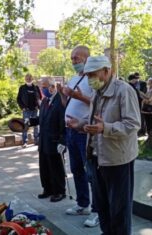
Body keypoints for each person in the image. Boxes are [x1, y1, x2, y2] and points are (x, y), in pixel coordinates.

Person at [67, 56, 140, 235]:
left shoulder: (124, 90)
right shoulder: (97, 92)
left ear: (107, 71)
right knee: (103, 207)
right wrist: (81, 124)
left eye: (93, 74)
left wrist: (105, 128)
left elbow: (132, 124)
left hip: (117, 160)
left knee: (119, 209)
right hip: (96, 158)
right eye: (88, 74)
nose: (90, 78)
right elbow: (95, 120)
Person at [57, 46, 99, 227]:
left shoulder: (94, 79)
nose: (73, 61)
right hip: (70, 132)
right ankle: (83, 204)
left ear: (87, 58)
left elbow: (98, 103)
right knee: (76, 169)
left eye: (76, 58)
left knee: (92, 172)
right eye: (72, 58)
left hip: (84, 132)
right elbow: (68, 103)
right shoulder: (75, 78)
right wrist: (63, 96)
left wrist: (78, 96)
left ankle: (98, 211)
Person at [36, 77, 66, 202]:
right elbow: (41, 119)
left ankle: (59, 191)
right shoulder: (44, 101)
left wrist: (62, 141)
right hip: (43, 141)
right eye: (41, 87)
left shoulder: (60, 101)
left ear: (52, 87)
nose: (42, 89)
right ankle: (47, 189)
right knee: (44, 166)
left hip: (54, 141)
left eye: (44, 86)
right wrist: (29, 121)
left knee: (56, 167)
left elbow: (63, 123)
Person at [17, 74, 42, 147]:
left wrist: (38, 106)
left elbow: (40, 97)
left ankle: (36, 141)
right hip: (26, 110)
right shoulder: (22, 88)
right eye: (27, 78)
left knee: (36, 126)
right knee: (25, 125)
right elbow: (18, 99)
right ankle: (24, 142)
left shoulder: (36, 87)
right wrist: (23, 107)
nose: (28, 79)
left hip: (34, 109)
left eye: (30, 78)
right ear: (25, 79)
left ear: (32, 78)